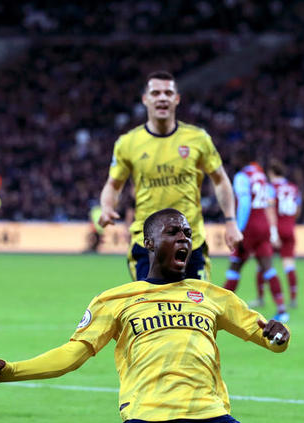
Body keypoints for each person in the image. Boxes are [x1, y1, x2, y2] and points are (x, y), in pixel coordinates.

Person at [0, 208, 290, 423]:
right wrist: (11, 371)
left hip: (208, 420)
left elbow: (268, 338)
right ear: (150, 243)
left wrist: (278, 336)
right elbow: (72, 355)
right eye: (173, 232)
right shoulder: (114, 300)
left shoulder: (212, 294)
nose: (184, 239)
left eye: (187, 233)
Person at [98, 71, 242, 281]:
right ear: (146, 100)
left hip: (191, 241)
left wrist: (231, 221)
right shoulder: (128, 143)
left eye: (168, 92)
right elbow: (113, 184)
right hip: (147, 243)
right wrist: (106, 207)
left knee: (197, 310)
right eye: (156, 93)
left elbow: (220, 179)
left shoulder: (198, 139)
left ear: (177, 99)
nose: (162, 97)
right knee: (151, 311)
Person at [223, 153, 288, 323]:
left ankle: (220, 307)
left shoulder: (242, 177)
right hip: (263, 225)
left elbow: (244, 203)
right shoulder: (261, 176)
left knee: (234, 266)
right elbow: (269, 201)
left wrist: (238, 228)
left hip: (249, 227)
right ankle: (282, 309)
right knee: (268, 268)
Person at [254, 160, 301, 309]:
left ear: (271, 173)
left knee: (263, 264)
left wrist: (273, 231)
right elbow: (298, 207)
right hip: (289, 228)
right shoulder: (293, 188)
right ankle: (293, 298)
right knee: (289, 265)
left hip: (273, 229)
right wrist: (291, 222)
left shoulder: (270, 188)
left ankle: (260, 298)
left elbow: (269, 209)